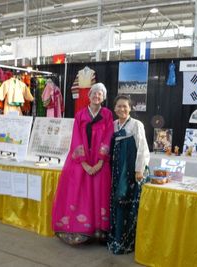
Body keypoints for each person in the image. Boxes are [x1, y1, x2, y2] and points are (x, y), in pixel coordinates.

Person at [51, 83, 114, 245]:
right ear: (89, 95)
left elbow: (108, 137)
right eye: (94, 93)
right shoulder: (80, 115)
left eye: (100, 94)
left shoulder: (107, 115)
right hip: (82, 161)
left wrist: (100, 162)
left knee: (99, 192)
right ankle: (79, 228)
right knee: (80, 193)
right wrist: (84, 163)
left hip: (100, 161)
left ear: (104, 97)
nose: (97, 96)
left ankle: (98, 230)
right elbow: (76, 139)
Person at [108, 95, 150, 254]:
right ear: (114, 108)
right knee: (117, 201)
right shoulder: (113, 125)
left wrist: (139, 169)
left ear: (130, 108)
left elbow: (143, 148)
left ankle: (127, 242)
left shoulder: (136, 125)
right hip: (117, 169)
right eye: (118, 106)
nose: (121, 109)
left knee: (127, 202)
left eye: (125, 106)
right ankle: (116, 239)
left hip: (131, 170)